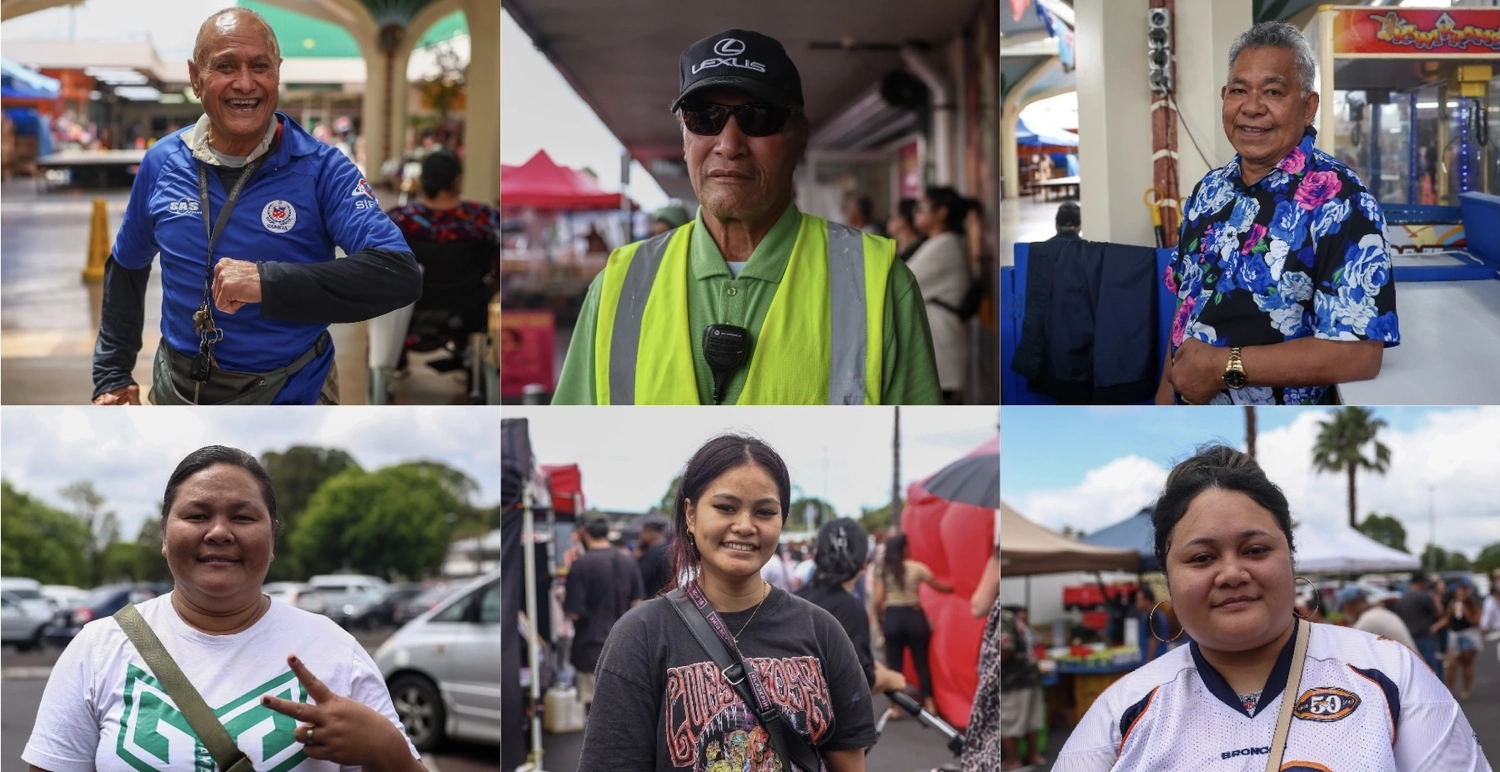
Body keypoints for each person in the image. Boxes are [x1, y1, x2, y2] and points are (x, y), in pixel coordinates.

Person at [551, 28, 940, 405]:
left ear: (799, 136)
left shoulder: (880, 282)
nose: (729, 144)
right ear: (685, 137)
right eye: (703, 116)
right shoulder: (617, 287)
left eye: (758, 116)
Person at [1053, 445, 1487, 770]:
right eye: (1202, 558)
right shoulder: (1122, 711)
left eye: (1256, 549)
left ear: (1291, 559)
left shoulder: (1391, 673)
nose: (1231, 573)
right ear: (1168, 577)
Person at [91, 8, 420, 406]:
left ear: (277, 72)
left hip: (292, 391)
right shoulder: (162, 162)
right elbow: (127, 265)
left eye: (259, 66)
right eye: (225, 66)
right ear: (196, 77)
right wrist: (112, 374)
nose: (245, 83)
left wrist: (267, 283)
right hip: (176, 387)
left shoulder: (322, 169)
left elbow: (398, 274)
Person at [22, 446, 422, 771]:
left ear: (273, 538)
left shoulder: (336, 650)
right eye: (196, 515)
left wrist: (387, 748)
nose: (218, 532)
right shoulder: (98, 647)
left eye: (243, 517)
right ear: (164, 535)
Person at [577, 435, 875, 770]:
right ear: (690, 515)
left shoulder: (822, 630)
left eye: (764, 511)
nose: (745, 526)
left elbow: (848, 761)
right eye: (725, 507)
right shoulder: (640, 635)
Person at [1158, 21, 1398, 407]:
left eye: (1273, 91)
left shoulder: (1344, 202)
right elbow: (1185, 313)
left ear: (1308, 107)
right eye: (1239, 91)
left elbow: (1360, 355)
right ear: (1224, 98)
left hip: (1273, 433)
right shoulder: (1208, 191)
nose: (1251, 107)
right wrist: (1164, 403)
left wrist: (1226, 365)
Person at [795, 518, 906, 695]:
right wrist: (891, 679)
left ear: (816, 556)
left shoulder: (796, 598)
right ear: (864, 562)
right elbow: (860, 680)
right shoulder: (850, 608)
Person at [565, 513, 645, 715]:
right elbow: (638, 604)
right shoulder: (628, 561)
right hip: (626, 650)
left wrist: (560, 598)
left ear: (583, 531)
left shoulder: (581, 565)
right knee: (624, 714)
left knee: (594, 715)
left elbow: (573, 613)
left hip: (590, 649)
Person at [907, 186, 974, 405]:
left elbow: (901, 283)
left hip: (941, 355)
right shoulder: (941, 243)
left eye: (922, 207)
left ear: (942, 212)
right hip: (938, 353)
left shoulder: (945, 246)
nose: (916, 212)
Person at [874, 532, 953, 715]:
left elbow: (878, 601)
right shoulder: (917, 568)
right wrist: (957, 587)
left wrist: (881, 618)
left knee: (895, 665)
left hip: (893, 616)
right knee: (921, 663)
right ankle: (930, 703)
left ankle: (895, 707)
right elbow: (939, 587)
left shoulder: (883, 569)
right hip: (915, 616)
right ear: (904, 549)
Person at [996, 602, 1045, 770]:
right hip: (1030, 677)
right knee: (1031, 720)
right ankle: (1034, 755)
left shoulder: (1002, 619)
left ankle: (1012, 760)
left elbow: (1005, 650)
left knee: (1010, 722)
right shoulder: (1014, 620)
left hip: (1013, 680)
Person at [1336, 585, 1417, 651]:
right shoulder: (1380, 612)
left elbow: (1351, 651)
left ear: (1348, 606)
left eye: (1343, 610)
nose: (1344, 614)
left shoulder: (1366, 622)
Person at [1393, 571, 1444, 674]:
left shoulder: (1403, 598)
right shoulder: (1424, 596)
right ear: (1421, 582)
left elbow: (1399, 617)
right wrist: (1437, 597)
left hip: (1408, 638)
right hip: (1424, 638)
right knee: (1430, 669)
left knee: (1414, 670)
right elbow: (1439, 613)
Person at [1443, 582, 1482, 700]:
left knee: (1466, 664)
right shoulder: (1453, 604)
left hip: (1468, 635)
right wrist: (1436, 627)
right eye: (1457, 593)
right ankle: (1449, 690)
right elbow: (1447, 618)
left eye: (1461, 593)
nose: (1459, 595)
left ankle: (1466, 689)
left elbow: (1476, 622)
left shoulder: (1473, 605)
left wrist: (1466, 613)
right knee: (1451, 664)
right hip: (1454, 635)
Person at [636, 511, 673, 599]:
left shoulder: (652, 553)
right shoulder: (667, 549)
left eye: (642, 532)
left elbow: (640, 578)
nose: (640, 536)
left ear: (648, 532)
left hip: (652, 599)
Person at [1134, 585, 1171, 661]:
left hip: (1156, 660)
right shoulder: (1149, 615)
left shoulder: (1154, 616)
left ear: (1146, 600)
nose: (1136, 603)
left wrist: (1149, 662)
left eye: (1138, 600)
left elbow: (1153, 641)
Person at [886, 198, 926, 263]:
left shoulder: (922, 248)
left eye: (893, 216)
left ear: (904, 219)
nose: (889, 221)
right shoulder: (891, 247)